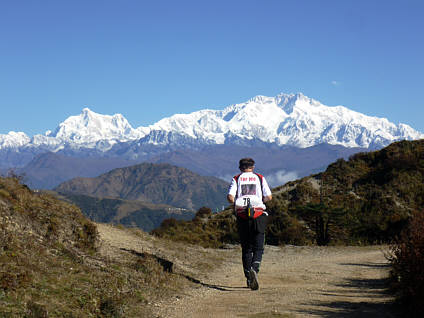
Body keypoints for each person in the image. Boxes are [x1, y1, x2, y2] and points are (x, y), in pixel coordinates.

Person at [227, 158, 272, 290]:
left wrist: (236, 202)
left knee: (246, 248)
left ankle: (248, 277)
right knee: (258, 247)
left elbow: (230, 197)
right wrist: (259, 200)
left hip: (242, 216)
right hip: (258, 215)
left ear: (240, 167)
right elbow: (269, 197)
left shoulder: (236, 179)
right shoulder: (259, 177)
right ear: (253, 167)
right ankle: (254, 269)